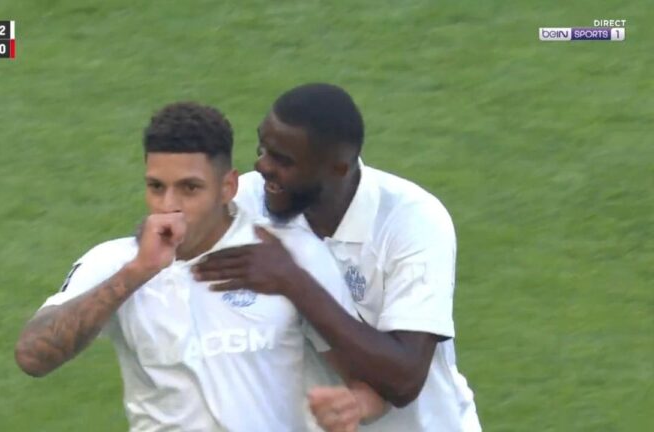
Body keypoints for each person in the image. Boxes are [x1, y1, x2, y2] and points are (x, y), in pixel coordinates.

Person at [14, 101, 383, 431]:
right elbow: (32, 357)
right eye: (156, 187)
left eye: (189, 188)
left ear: (227, 187)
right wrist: (137, 272)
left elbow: (371, 383)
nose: (168, 205)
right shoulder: (116, 263)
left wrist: (354, 405)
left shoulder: (289, 256)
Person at [193, 84, 482, 431]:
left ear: (339, 169)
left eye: (283, 160)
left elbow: (404, 379)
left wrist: (292, 281)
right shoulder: (245, 202)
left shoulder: (412, 222)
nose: (262, 165)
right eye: (262, 148)